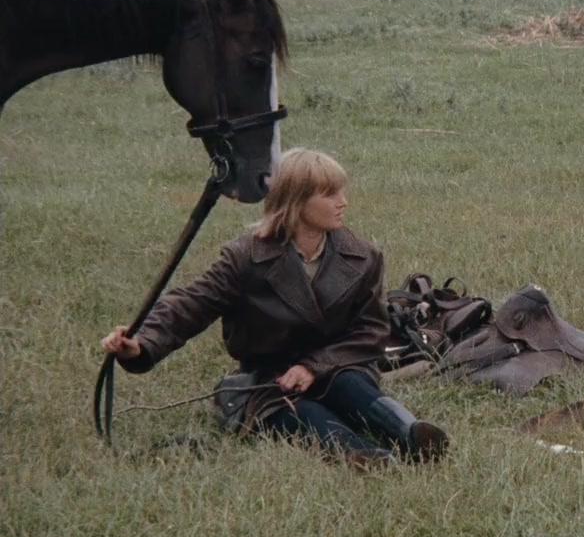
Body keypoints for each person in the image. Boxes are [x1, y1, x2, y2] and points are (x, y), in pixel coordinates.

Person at [101, 148, 448, 466]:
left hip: (339, 364)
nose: (343, 202)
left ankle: (411, 432)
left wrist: (314, 366)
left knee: (351, 387)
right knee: (302, 412)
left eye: (341, 191)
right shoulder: (244, 257)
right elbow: (191, 303)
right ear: (295, 200)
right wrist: (142, 342)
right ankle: (364, 456)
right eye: (329, 194)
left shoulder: (363, 256)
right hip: (271, 379)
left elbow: (372, 329)